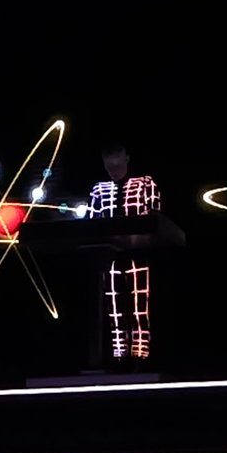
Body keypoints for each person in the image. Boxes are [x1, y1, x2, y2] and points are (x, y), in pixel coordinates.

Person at [88, 145, 161, 366]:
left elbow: (154, 218)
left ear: (127, 159)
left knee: (140, 305)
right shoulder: (98, 190)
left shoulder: (145, 184)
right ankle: (119, 355)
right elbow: (92, 224)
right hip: (110, 256)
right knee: (115, 307)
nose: (113, 168)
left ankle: (141, 354)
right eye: (108, 164)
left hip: (138, 252)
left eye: (117, 162)